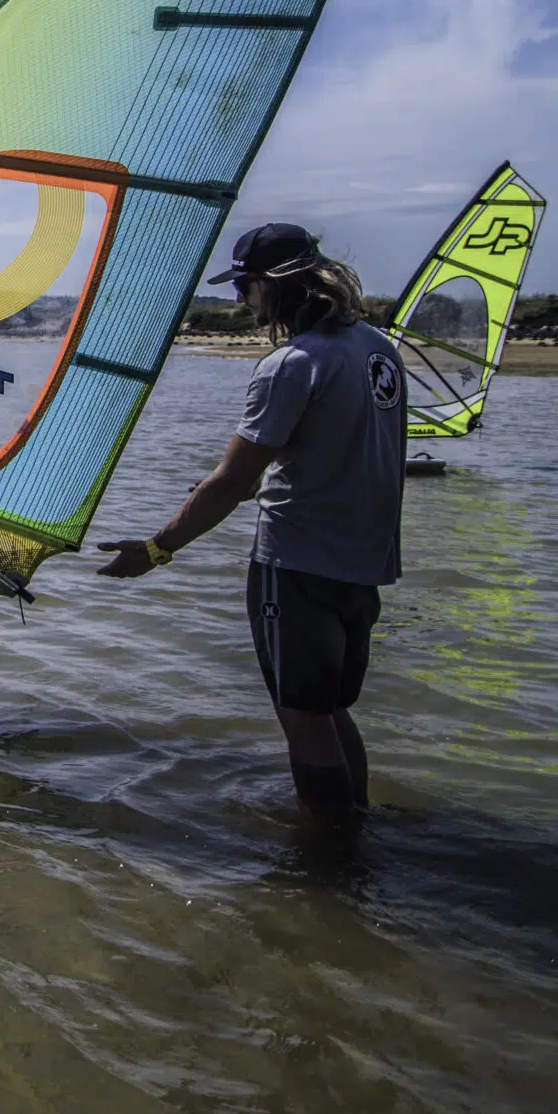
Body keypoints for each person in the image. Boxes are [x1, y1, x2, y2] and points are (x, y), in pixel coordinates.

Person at [96, 224, 406, 822]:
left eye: (245, 286)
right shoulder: (377, 350)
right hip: (363, 565)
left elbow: (233, 481)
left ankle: (330, 863)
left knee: (303, 718)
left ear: (274, 285)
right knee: (331, 709)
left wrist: (157, 550)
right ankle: (358, 824)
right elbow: (340, 453)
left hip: (297, 567)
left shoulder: (290, 364)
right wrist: (243, 485)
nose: (242, 300)